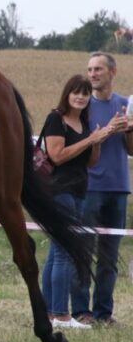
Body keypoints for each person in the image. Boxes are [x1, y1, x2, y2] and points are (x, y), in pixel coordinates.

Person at [40, 75, 111, 329]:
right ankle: (61, 314)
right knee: (65, 253)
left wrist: (98, 141)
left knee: (55, 253)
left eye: (85, 93)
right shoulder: (55, 119)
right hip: (59, 191)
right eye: (76, 92)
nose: (80, 97)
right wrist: (89, 140)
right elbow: (57, 156)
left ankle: (49, 313)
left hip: (79, 191)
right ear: (67, 94)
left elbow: (90, 163)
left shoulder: (84, 122)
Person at [71, 52, 133, 327]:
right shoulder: (83, 106)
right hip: (89, 188)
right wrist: (108, 129)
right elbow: (81, 144)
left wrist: (129, 130)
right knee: (83, 252)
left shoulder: (125, 105)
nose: (92, 73)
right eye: (89, 69)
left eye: (98, 69)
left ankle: (104, 313)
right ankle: (81, 311)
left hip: (119, 188)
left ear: (112, 72)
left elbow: (131, 150)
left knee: (109, 257)